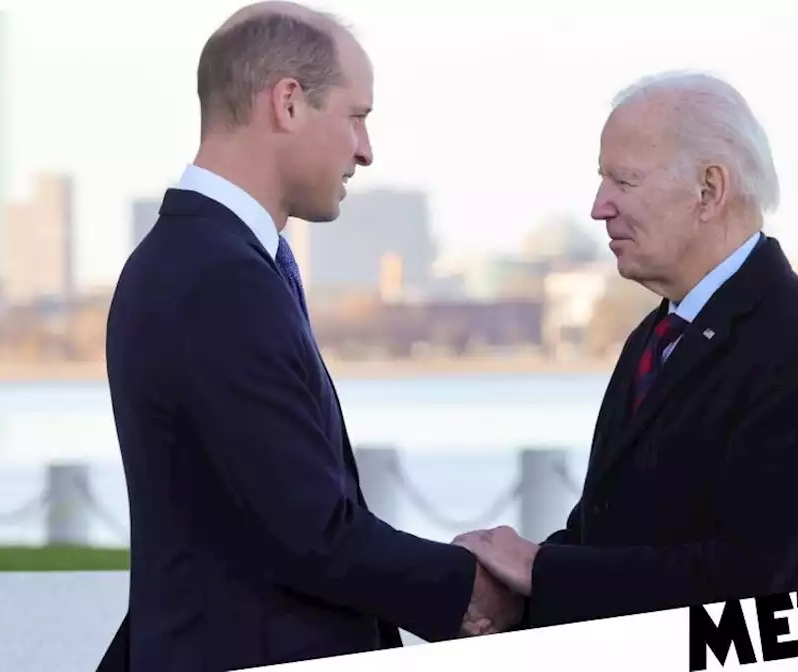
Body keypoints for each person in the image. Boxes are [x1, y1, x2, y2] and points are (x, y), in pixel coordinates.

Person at [97, 3, 520, 670]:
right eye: (357, 116)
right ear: (288, 102)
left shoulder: (202, 259)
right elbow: (310, 533)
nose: (366, 150)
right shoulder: (218, 278)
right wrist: (475, 591)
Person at [454, 71, 798, 627]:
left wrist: (539, 570)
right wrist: (510, 595)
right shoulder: (657, 337)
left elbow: (755, 590)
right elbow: (606, 538)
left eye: (623, 182)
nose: (598, 207)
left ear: (709, 191)